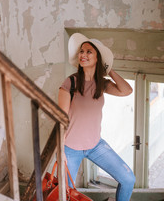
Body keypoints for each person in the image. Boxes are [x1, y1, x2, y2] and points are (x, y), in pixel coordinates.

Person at [58, 33, 135, 201]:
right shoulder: (70, 83)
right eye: (81, 51)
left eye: (88, 52)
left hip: (95, 145)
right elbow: (60, 120)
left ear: (97, 58)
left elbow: (127, 90)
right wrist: (61, 150)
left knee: (129, 179)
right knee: (66, 195)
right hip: (70, 149)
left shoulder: (102, 84)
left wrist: (108, 69)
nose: (83, 55)